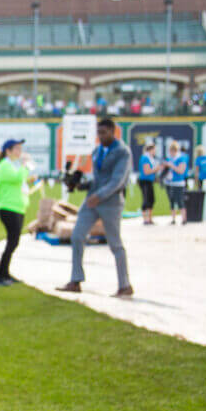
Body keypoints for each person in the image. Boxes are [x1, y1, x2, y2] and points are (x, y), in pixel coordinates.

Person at [57, 118, 133, 297]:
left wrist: (99, 196)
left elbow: (117, 180)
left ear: (113, 132)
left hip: (110, 202)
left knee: (115, 244)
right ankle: (76, 280)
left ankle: (125, 285)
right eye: (98, 133)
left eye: (104, 133)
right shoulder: (97, 151)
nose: (100, 136)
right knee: (77, 236)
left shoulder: (123, 153)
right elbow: (97, 179)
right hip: (92, 200)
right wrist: (79, 185)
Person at [0, 138, 32, 285]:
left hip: (17, 208)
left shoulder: (10, 165)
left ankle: (5, 274)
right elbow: (17, 179)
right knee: (12, 242)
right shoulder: (4, 166)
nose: (20, 151)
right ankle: (0, 275)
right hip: (9, 208)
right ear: (8, 151)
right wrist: (25, 165)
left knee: (13, 242)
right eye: (17, 148)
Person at [164, 141, 188, 224]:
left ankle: (184, 219)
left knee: (180, 201)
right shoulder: (169, 159)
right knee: (171, 201)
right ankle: (173, 219)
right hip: (169, 183)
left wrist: (172, 166)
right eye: (171, 150)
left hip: (179, 183)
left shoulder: (181, 158)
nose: (172, 152)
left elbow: (181, 171)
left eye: (173, 150)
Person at [137, 142, 158, 225]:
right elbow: (146, 171)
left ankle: (149, 219)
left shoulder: (150, 158)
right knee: (146, 200)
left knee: (151, 199)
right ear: (150, 150)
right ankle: (145, 219)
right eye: (154, 150)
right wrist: (156, 169)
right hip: (145, 181)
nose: (155, 152)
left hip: (149, 181)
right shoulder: (145, 158)